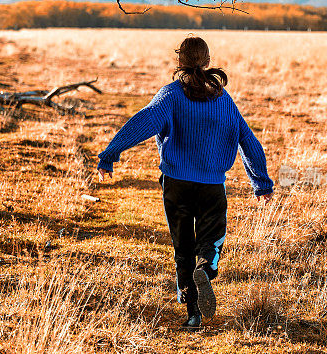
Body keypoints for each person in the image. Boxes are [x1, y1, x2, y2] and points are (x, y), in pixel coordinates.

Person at [97, 36, 273, 330]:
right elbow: (248, 141)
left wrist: (110, 153)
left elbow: (144, 120)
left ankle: (192, 313)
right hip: (211, 185)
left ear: (179, 61)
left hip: (176, 183)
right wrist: (261, 183)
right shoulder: (223, 100)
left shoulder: (171, 95)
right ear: (206, 61)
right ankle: (206, 265)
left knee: (182, 248)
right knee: (210, 238)